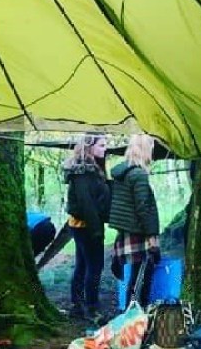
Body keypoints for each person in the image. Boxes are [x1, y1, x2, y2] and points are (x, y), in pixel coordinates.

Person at [109, 132, 161, 308]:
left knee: (135, 276)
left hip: (127, 230)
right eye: (151, 148)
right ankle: (137, 314)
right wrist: (152, 236)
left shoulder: (123, 173)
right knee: (141, 277)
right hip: (138, 231)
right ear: (145, 149)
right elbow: (143, 207)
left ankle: (132, 312)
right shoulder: (138, 174)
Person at [62, 134, 111, 319]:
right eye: (101, 145)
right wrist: (97, 230)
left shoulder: (91, 168)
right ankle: (91, 308)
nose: (104, 149)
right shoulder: (82, 171)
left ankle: (77, 305)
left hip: (85, 224)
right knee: (94, 266)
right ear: (89, 147)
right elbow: (86, 204)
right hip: (86, 225)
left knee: (83, 265)